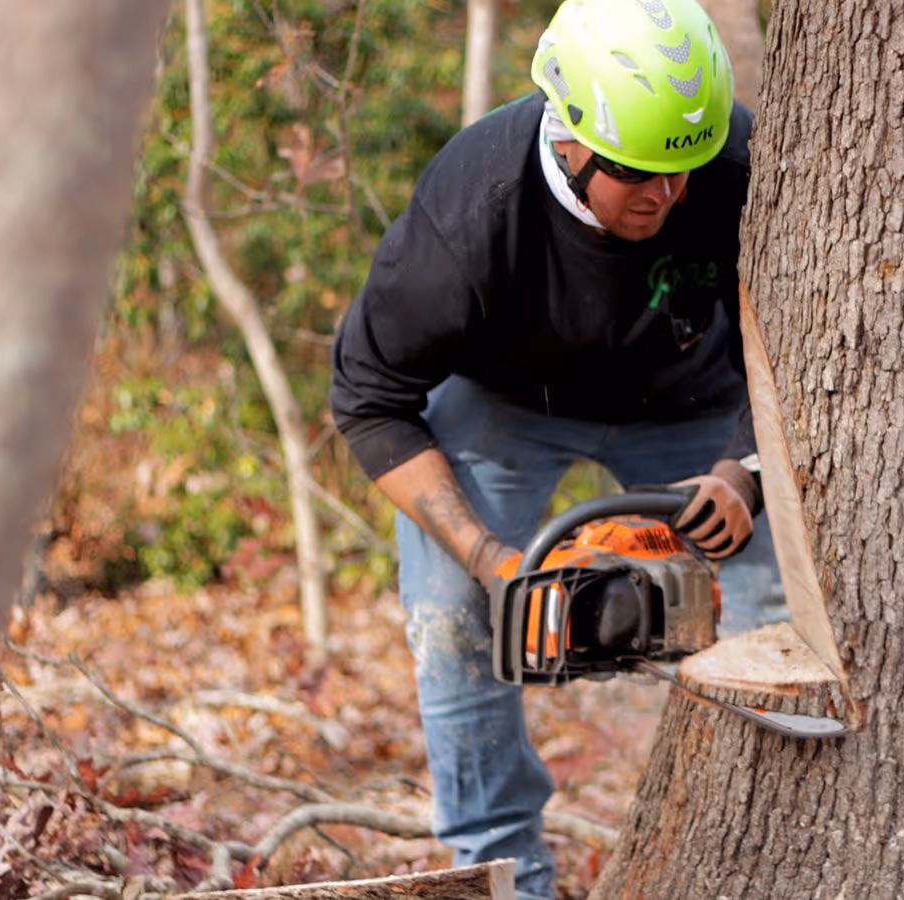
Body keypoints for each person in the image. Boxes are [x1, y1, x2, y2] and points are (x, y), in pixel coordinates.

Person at [329, 1, 784, 896]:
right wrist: (491, 558)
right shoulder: (471, 215)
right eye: (641, 176)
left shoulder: (729, 163)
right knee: (458, 608)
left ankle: (770, 861)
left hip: (696, 404)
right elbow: (369, 402)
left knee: (779, 619)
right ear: (572, 140)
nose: (669, 195)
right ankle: (498, 866)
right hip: (507, 403)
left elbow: (811, 343)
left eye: (684, 172)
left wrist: (747, 468)